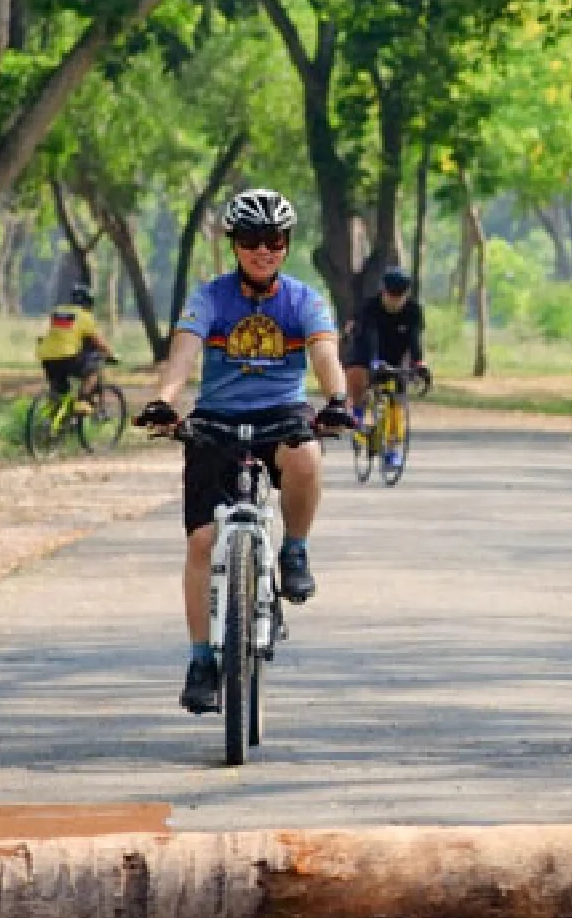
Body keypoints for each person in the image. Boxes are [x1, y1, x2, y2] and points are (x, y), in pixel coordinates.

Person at [136, 188, 357, 715]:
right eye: (253, 239)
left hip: (281, 413)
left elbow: (325, 354)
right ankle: (200, 662)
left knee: (306, 453)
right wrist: (164, 401)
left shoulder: (304, 300)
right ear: (234, 244)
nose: (263, 250)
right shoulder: (209, 298)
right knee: (201, 541)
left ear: (287, 243)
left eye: (274, 240)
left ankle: (295, 549)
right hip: (216, 418)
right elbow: (183, 354)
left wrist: (338, 400)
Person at [347, 267, 431, 467]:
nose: (394, 301)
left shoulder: (413, 311)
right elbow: (370, 336)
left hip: (395, 355)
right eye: (390, 295)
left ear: (406, 294)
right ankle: (357, 416)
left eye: (399, 296)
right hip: (366, 353)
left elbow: (414, 340)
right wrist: (373, 361)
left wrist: (419, 364)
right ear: (383, 291)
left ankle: (392, 449)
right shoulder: (370, 307)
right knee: (357, 375)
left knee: (396, 402)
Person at [36, 281, 113, 405]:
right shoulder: (85, 316)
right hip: (68, 358)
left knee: (60, 391)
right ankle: (82, 401)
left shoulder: (56, 312)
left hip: (47, 359)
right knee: (93, 370)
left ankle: (53, 413)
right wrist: (110, 354)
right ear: (89, 302)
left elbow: (41, 335)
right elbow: (99, 342)